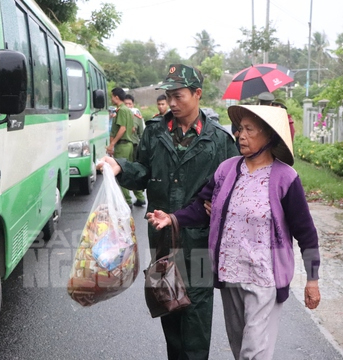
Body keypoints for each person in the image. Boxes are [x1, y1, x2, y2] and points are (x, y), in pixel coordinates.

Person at [146, 105, 321, 359]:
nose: (241, 135)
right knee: (240, 349)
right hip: (231, 275)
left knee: (254, 353)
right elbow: (200, 208)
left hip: (265, 278)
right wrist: (172, 218)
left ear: (269, 135)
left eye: (249, 130)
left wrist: (312, 279)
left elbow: (306, 232)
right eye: (240, 129)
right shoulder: (227, 170)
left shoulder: (285, 178)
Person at [99, 64, 239, 360]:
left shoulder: (220, 142)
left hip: (200, 242)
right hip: (163, 240)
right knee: (169, 308)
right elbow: (142, 173)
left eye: (179, 96)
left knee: (197, 318)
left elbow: (235, 187)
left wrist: (224, 205)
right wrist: (121, 167)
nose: (172, 103)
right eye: (168, 96)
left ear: (197, 94)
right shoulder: (154, 133)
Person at [107, 87, 134, 208]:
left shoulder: (122, 110)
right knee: (127, 172)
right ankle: (130, 198)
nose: (111, 99)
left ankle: (126, 201)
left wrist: (112, 144)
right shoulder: (128, 110)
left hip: (122, 145)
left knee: (120, 174)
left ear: (116, 97)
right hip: (128, 145)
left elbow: (122, 129)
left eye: (112, 96)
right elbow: (132, 129)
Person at [123, 94, 147, 207]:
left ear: (133, 105)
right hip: (123, 147)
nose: (128, 106)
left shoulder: (137, 118)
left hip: (134, 148)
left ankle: (140, 197)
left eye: (130, 104)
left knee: (135, 173)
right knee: (123, 172)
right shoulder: (120, 116)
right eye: (126, 104)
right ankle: (127, 200)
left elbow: (142, 135)